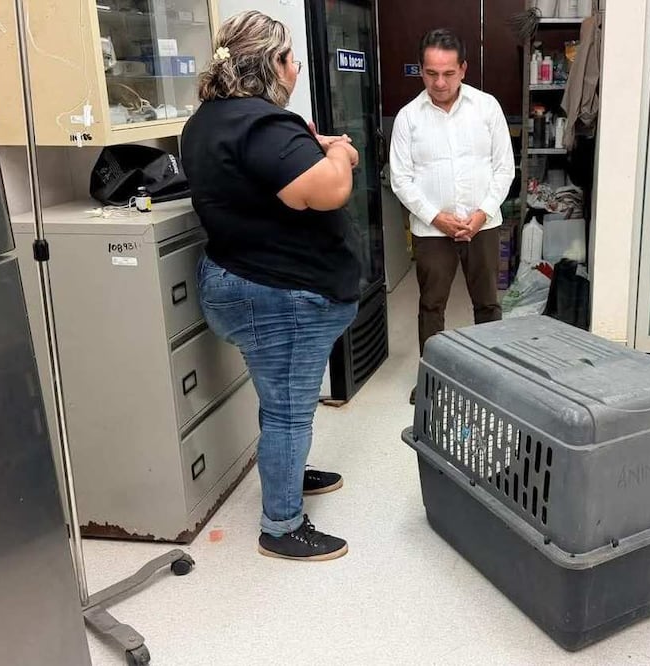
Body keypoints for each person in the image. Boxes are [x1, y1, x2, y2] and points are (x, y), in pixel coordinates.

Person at [181, 10, 361, 561]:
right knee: (286, 409)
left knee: (279, 397)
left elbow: (267, 183)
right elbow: (328, 191)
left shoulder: (208, 120)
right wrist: (340, 152)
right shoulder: (260, 123)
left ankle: (289, 476)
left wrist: (311, 146)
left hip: (246, 280)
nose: (297, 68)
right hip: (277, 292)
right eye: (292, 59)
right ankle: (281, 526)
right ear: (275, 64)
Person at [389, 28, 516, 404]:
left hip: (483, 224)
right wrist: (437, 217)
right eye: (430, 73)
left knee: (487, 302)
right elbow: (401, 178)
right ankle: (432, 379)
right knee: (431, 305)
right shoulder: (409, 118)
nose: (439, 82)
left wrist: (481, 214)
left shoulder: (487, 107)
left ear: (463, 68)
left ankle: (493, 376)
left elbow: (503, 168)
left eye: (448, 73)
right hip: (431, 230)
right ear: (421, 71)